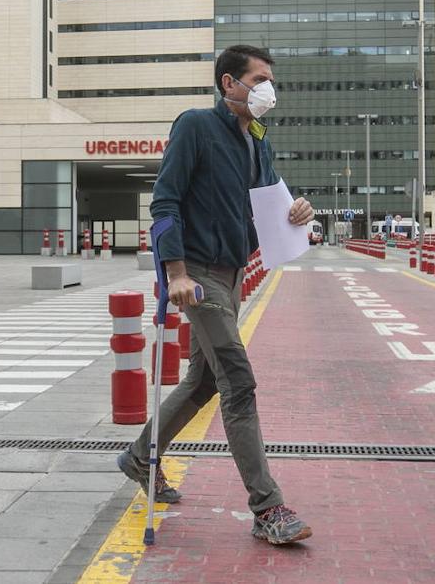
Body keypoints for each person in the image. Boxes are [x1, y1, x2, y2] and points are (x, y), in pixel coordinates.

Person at [116, 44, 314, 546]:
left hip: (231, 272)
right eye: (259, 78)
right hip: (198, 275)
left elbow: (270, 202)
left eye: (271, 79)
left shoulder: (257, 141)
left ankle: (141, 458)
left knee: (205, 380)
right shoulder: (196, 126)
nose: (268, 88)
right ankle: (267, 507)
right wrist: (175, 273)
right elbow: (165, 201)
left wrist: (297, 211)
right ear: (230, 83)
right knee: (238, 382)